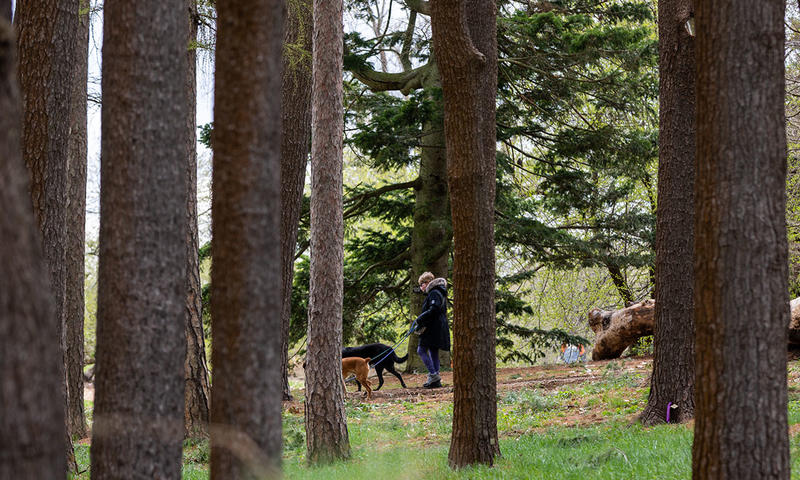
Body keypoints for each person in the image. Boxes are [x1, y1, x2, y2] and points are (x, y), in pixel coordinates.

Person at [414, 271, 451, 388]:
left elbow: (434, 309)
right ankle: (435, 379)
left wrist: (420, 318)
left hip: (433, 328)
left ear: (427, 282)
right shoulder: (439, 292)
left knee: (421, 350)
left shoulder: (434, 293)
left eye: (422, 284)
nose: (421, 287)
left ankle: (433, 375)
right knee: (433, 351)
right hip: (437, 327)